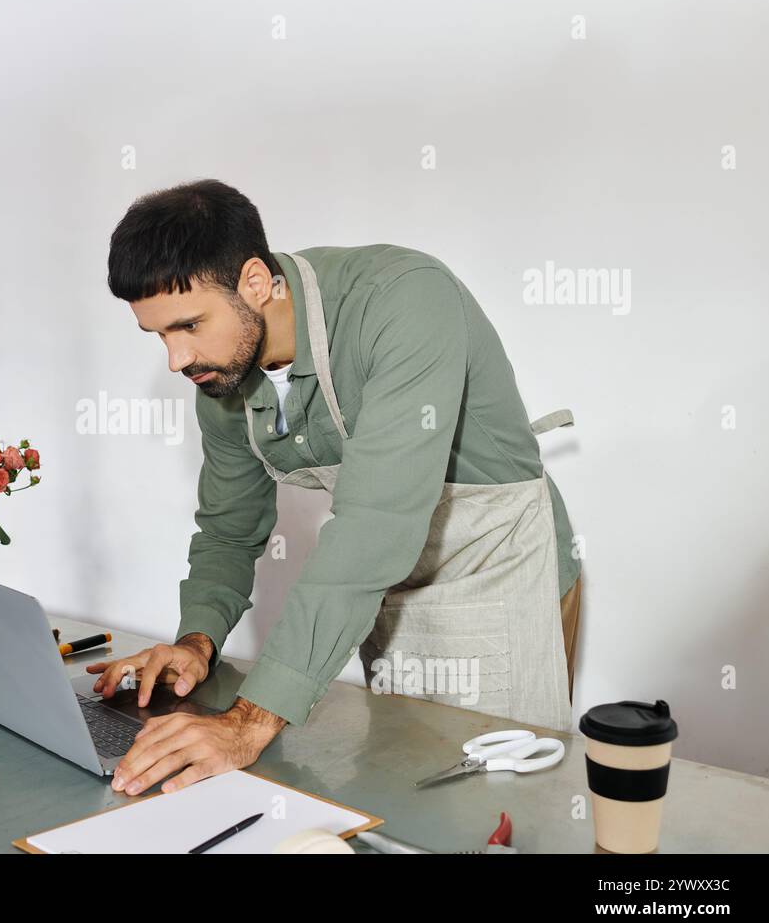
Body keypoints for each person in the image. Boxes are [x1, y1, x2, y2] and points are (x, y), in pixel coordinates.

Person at [92, 179, 582, 797]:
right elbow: (228, 528)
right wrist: (197, 640)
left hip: (498, 573)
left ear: (253, 282)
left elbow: (373, 526)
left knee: (496, 806)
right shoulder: (221, 373)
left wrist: (251, 718)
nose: (176, 359)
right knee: (411, 797)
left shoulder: (404, 300)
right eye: (159, 335)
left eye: (189, 325)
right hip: (382, 589)